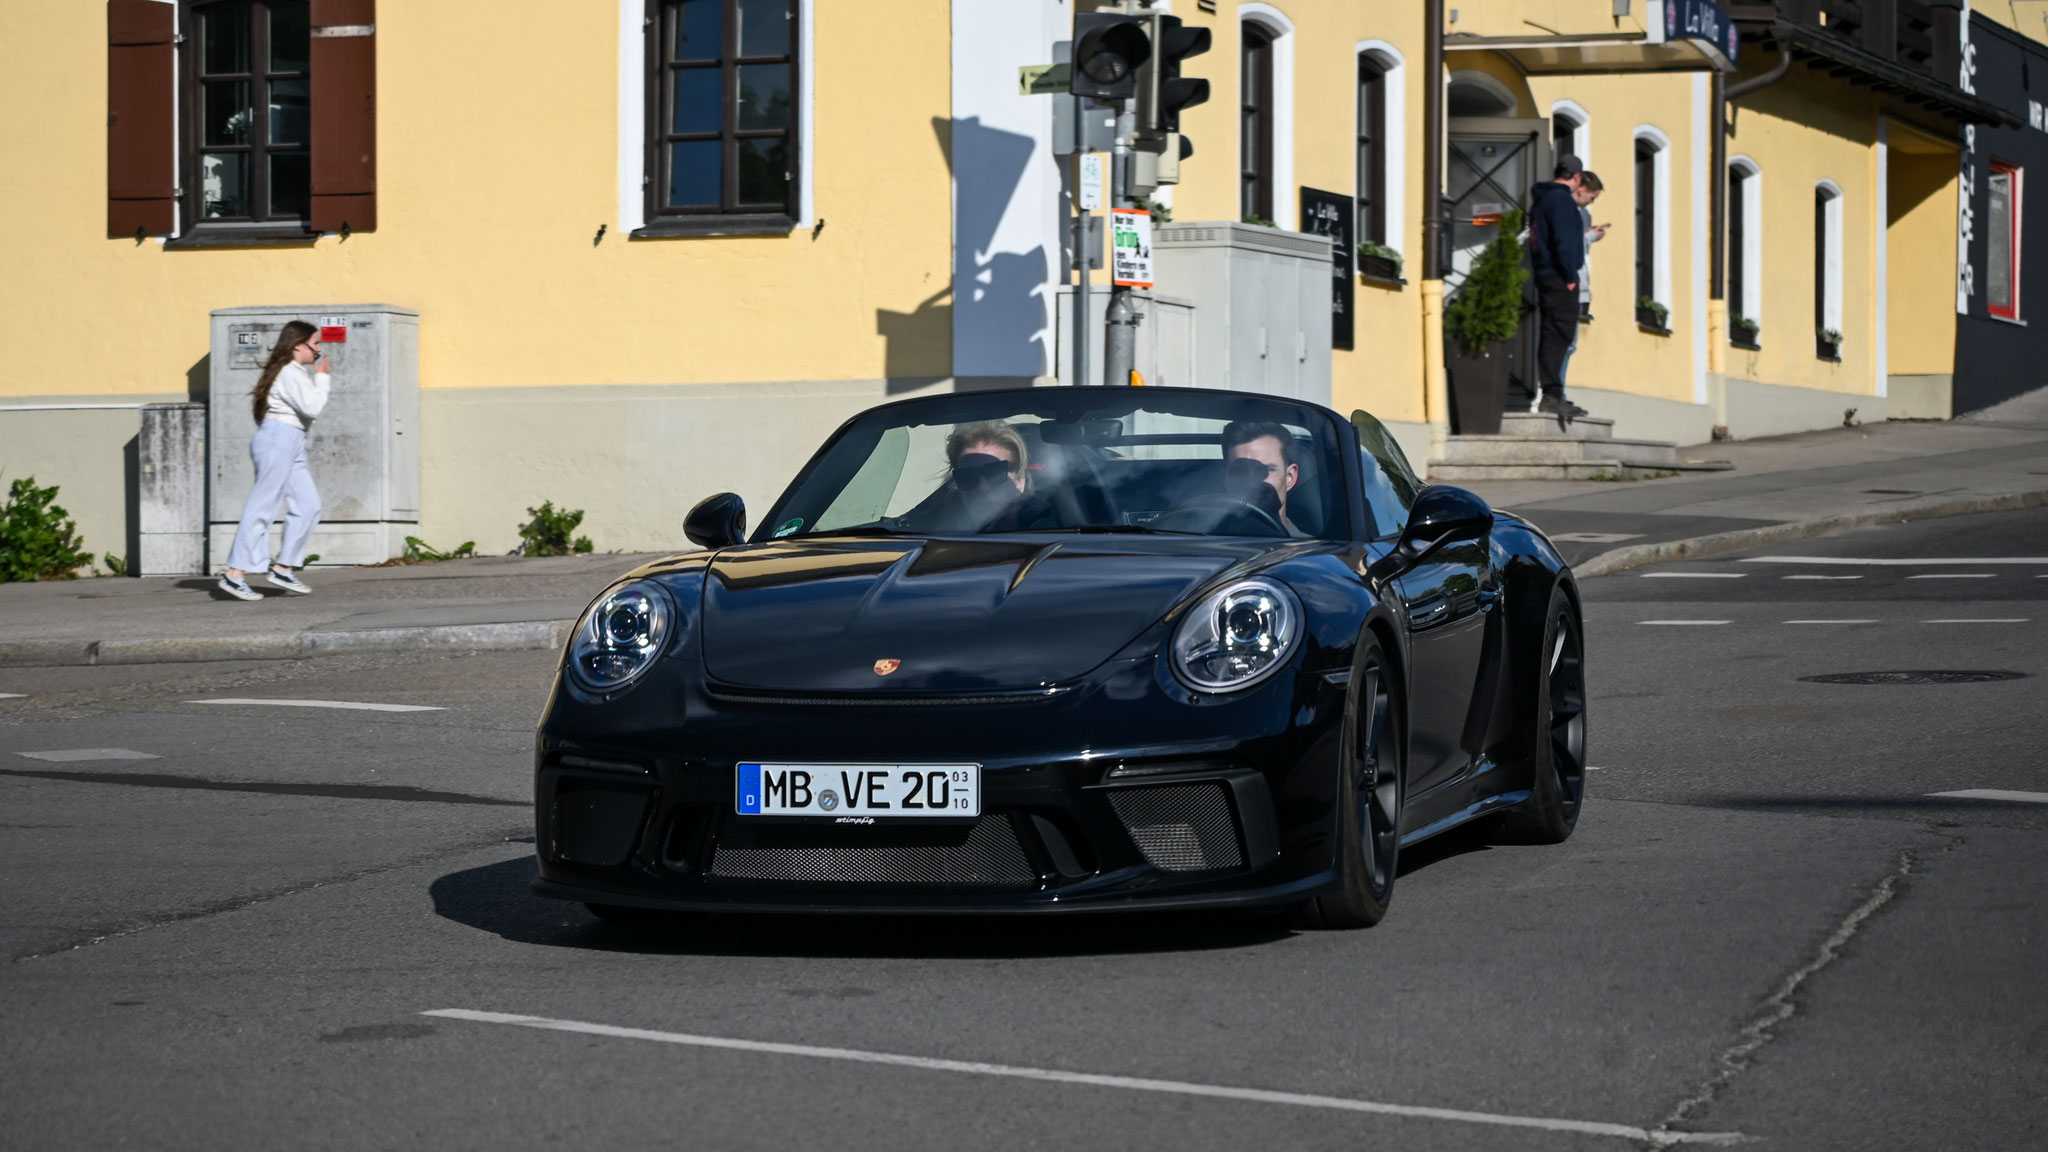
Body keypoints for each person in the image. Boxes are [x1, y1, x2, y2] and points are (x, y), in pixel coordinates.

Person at [217, 320, 329, 600]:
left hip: (292, 439)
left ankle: (283, 568)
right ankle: (234, 574)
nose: (319, 349)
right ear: (298, 345)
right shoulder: (290, 372)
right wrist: (323, 378)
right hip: (280, 437)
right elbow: (312, 407)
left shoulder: (294, 372)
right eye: (315, 343)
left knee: (308, 505)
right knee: (263, 506)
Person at [1529, 160, 1603, 428]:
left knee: (1555, 335)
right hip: (1560, 279)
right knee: (1558, 336)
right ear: (1577, 177)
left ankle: (1553, 393)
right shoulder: (1561, 201)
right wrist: (1570, 276)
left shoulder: (1544, 198)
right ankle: (1552, 395)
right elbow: (1564, 241)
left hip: (1548, 276)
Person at [1220, 420, 1308, 536]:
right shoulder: (1203, 540)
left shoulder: (1311, 547)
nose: (1251, 483)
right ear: (1225, 477)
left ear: (1289, 477)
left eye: (1264, 470)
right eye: (1240, 471)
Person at [942, 419, 1032, 530]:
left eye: (994, 472)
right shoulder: (942, 535)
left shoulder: (1047, 533)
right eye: (967, 476)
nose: (982, 487)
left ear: (1020, 479)